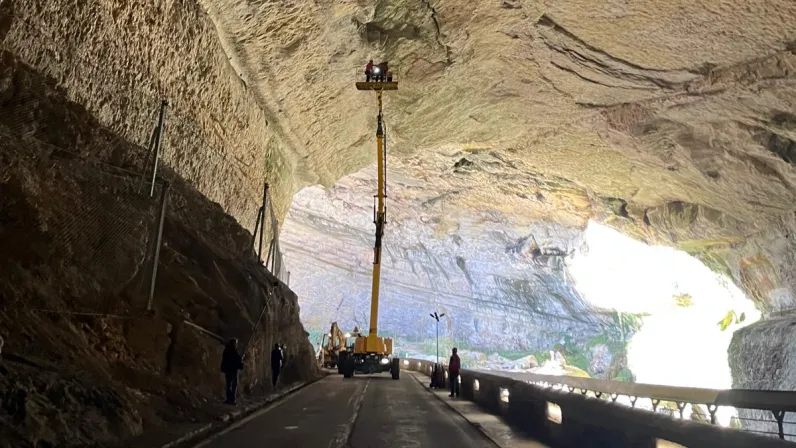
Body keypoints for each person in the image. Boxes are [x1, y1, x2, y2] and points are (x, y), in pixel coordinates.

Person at [220, 338, 243, 405]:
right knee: (234, 385)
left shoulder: (226, 350)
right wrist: (240, 364)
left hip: (227, 370)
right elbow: (237, 361)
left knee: (228, 385)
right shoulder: (234, 352)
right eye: (236, 343)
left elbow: (224, 360)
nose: (236, 345)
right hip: (233, 370)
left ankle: (228, 399)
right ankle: (232, 400)